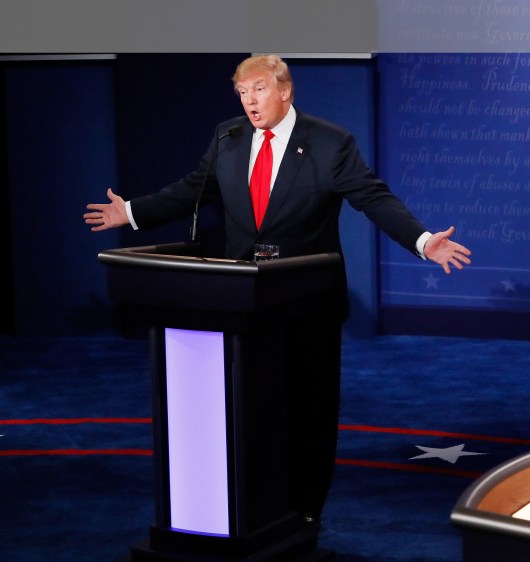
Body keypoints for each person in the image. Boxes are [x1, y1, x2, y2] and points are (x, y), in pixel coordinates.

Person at [82, 54, 472, 521]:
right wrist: (132, 212)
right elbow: (192, 189)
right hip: (242, 303)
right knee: (251, 412)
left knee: (309, 412)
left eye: (259, 90)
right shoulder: (228, 138)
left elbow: (373, 198)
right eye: (243, 93)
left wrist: (424, 241)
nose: (250, 101)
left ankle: (305, 515)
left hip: (306, 304)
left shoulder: (330, 143)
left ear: (285, 91)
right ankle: (255, 510)